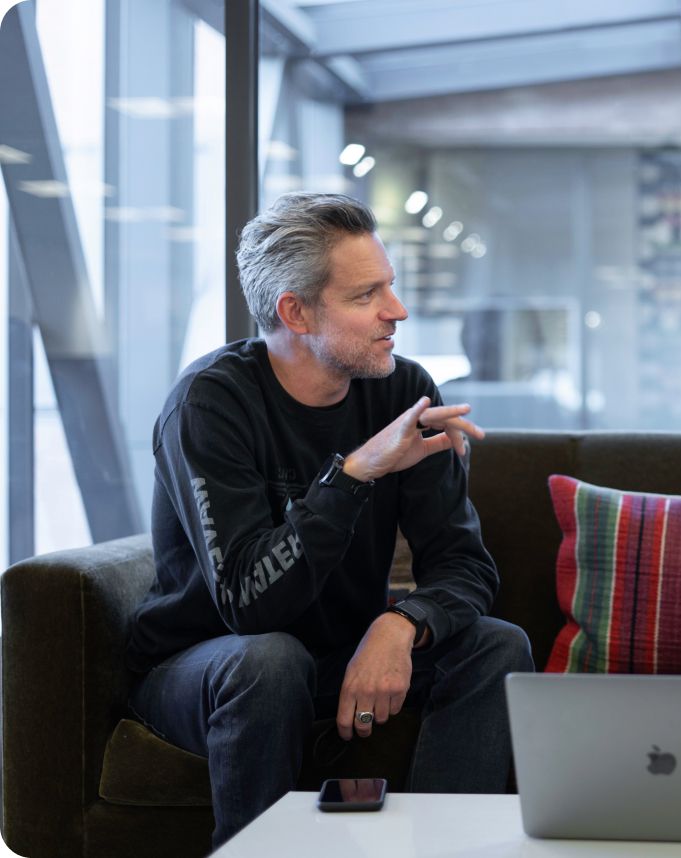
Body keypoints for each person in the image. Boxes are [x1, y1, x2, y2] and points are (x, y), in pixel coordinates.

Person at [125, 192, 534, 846]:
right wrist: (352, 474)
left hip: (336, 654)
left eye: (390, 287)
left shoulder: (403, 390)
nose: (396, 312)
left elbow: (465, 566)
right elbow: (248, 606)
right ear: (296, 311)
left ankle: (443, 852)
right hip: (206, 665)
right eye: (366, 295)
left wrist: (403, 624)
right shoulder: (210, 404)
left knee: (498, 644)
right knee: (270, 660)